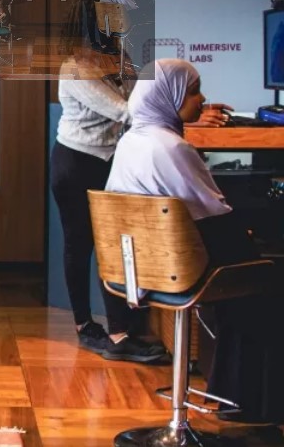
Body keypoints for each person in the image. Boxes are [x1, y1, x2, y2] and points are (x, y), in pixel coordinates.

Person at [106, 58, 284, 424]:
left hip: (141, 270)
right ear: (168, 96)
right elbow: (218, 219)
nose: (202, 99)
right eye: (193, 92)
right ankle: (253, 404)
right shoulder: (172, 148)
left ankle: (233, 396)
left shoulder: (129, 142)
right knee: (268, 274)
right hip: (183, 271)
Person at [53, 48, 229, 362]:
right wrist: (189, 114)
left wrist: (188, 106)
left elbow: (149, 97)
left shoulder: (118, 58)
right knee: (81, 244)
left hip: (111, 156)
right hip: (78, 161)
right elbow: (129, 111)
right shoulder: (75, 66)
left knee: (118, 244)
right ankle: (88, 326)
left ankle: (122, 329)